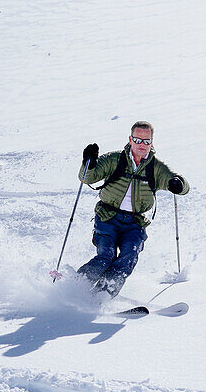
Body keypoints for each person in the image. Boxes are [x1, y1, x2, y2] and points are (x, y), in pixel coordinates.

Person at [77, 120, 189, 296]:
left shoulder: (155, 168)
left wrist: (178, 184)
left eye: (146, 141)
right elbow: (87, 178)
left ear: (151, 142)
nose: (141, 145)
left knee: (128, 258)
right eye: (138, 140)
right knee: (106, 257)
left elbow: (180, 184)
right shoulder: (115, 159)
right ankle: (75, 287)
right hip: (108, 217)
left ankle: (102, 295)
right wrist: (88, 163)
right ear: (130, 139)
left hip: (135, 223)